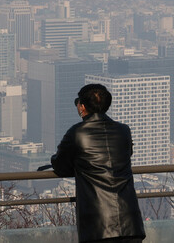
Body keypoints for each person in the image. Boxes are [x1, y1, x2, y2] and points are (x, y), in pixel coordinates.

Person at [51, 84, 146, 242]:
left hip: (98, 225)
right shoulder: (124, 130)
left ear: (82, 107)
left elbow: (60, 166)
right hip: (130, 221)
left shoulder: (77, 132)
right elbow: (126, 155)